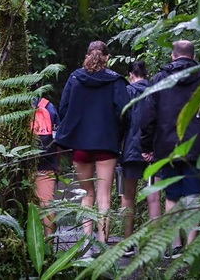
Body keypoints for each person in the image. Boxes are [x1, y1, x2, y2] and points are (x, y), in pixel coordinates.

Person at [140, 40, 200, 259]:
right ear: (193, 55)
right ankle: (192, 244)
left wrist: (147, 146)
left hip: (167, 148)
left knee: (172, 196)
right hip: (198, 147)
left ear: (172, 56)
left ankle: (176, 245)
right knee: (194, 195)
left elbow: (148, 115)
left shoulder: (160, 79)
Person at [55, 41, 130, 255]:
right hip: (106, 143)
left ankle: (87, 244)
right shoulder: (116, 81)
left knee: (87, 194)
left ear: (88, 55)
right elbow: (124, 112)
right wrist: (117, 133)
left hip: (81, 145)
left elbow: (63, 109)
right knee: (104, 196)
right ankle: (102, 242)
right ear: (107, 57)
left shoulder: (75, 79)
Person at [119, 60, 161, 257]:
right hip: (154, 151)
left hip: (130, 151)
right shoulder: (157, 89)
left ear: (131, 75)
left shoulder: (126, 92)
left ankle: (127, 243)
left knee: (128, 197)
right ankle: (155, 245)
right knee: (154, 197)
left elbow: (121, 121)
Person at [32, 96, 61, 237]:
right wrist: (57, 163)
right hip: (46, 164)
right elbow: (57, 139)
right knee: (47, 206)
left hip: (19, 163)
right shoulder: (48, 106)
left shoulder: (12, 106)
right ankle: (48, 250)